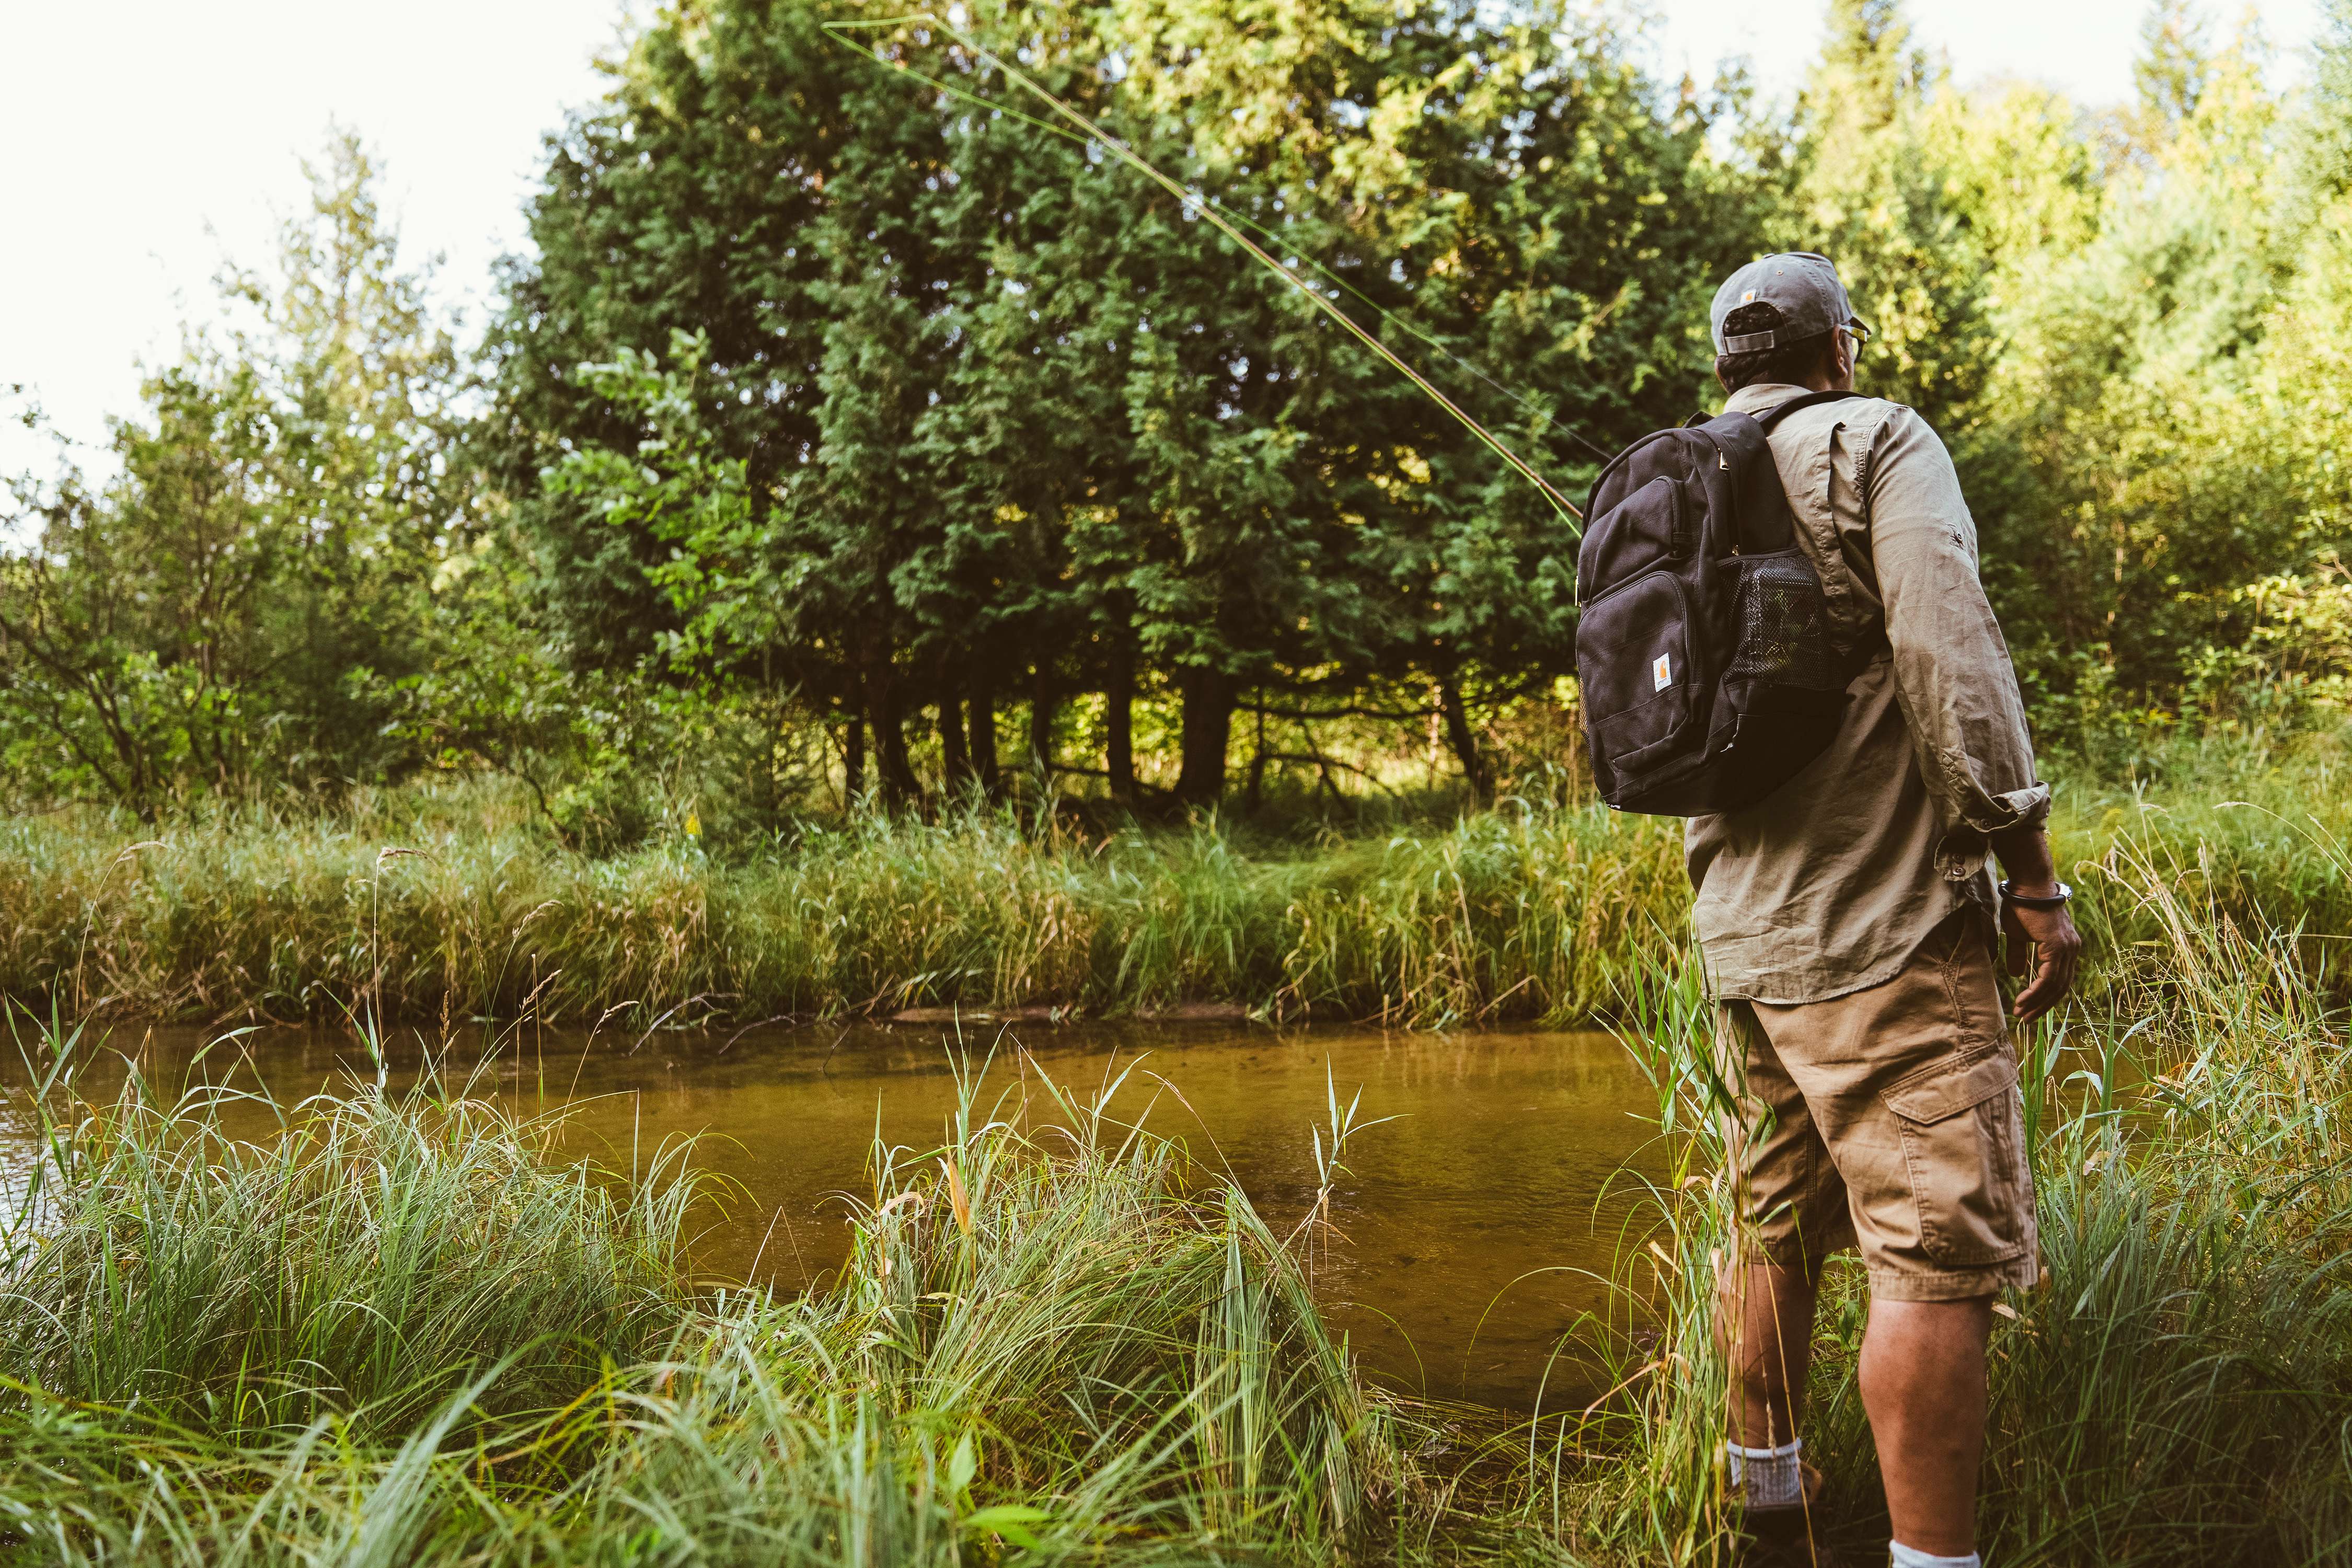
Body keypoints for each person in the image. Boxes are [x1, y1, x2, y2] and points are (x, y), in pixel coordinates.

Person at [1689, 253, 2082, 1568]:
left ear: (1727, 364)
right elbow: (1950, 654)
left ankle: (1768, 1509)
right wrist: (2032, 875)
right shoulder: (1878, 440)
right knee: (1933, 1258)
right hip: (1890, 931)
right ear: (1838, 350)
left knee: (1774, 1225)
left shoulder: (1680, 473)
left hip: (1743, 936)